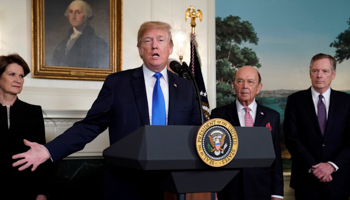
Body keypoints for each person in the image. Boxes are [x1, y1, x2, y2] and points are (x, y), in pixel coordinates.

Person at [13, 21, 201, 200]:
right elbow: (90, 126)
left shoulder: (186, 87)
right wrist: (48, 150)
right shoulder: (118, 84)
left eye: (160, 40)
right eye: (147, 41)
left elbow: (194, 134)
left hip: (174, 184)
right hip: (127, 184)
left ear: (170, 47)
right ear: (140, 50)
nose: (154, 46)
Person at [211, 66, 284, 200]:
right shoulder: (218, 115)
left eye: (250, 82)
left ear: (259, 87)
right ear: (234, 86)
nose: (245, 86)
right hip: (228, 190)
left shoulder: (271, 116)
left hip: (261, 189)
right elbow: (213, 157)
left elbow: (276, 157)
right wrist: (213, 189)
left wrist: (277, 193)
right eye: (240, 81)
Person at [284, 53, 350, 200]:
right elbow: (291, 139)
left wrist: (331, 166)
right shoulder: (295, 101)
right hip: (306, 182)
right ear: (310, 73)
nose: (319, 75)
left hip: (338, 181)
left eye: (325, 71)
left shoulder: (346, 101)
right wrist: (315, 167)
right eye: (315, 71)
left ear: (333, 74)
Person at [0, 54, 51, 199]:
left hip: (25, 189)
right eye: (12, 74)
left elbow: (42, 155)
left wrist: (42, 193)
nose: (18, 80)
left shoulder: (33, 112)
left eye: (21, 76)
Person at [52, 0, 109, 69]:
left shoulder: (98, 44)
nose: (73, 16)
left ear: (86, 15)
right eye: (71, 12)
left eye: (78, 13)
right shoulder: (63, 43)